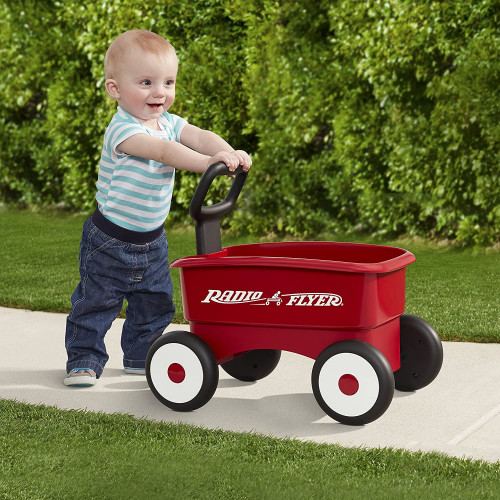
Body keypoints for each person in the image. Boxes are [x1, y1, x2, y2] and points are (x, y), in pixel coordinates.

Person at [64, 29, 251, 386]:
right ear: (115, 89)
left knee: (155, 302)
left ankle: (141, 356)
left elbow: (198, 135)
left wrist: (228, 152)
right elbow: (165, 152)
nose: (160, 92)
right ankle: (83, 359)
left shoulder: (168, 122)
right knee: (96, 303)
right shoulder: (122, 130)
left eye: (168, 82)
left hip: (152, 240)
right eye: (146, 82)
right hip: (109, 241)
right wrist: (209, 163)